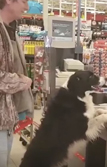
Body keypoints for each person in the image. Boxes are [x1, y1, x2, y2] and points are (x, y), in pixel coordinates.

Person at [0, 0, 34, 166]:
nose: (27, 7)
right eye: (23, 1)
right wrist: (22, 81)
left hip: (6, 117)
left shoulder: (10, 29)